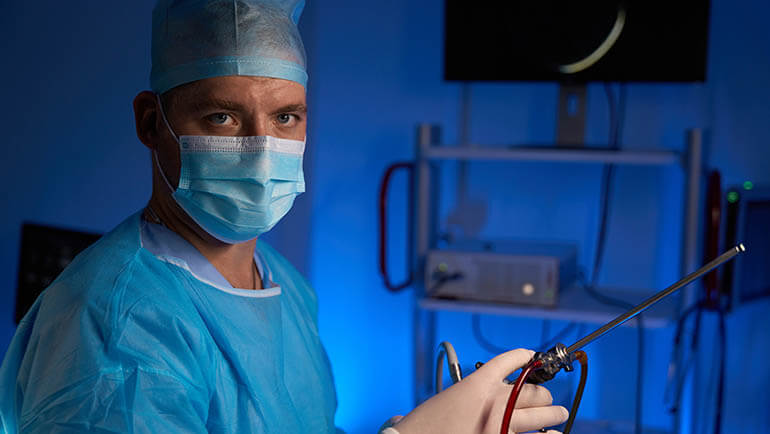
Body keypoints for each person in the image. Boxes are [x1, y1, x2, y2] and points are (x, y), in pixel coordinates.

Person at [0, 1, 568, 433]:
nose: (262, 148)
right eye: (222, 117)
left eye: (286, 117)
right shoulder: (114, 328)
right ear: (151, 123)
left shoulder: (285, 287)